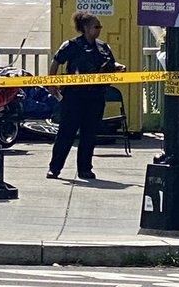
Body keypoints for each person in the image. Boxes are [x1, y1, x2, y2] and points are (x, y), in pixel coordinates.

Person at [46, 11, 125, 180]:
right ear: (86, 28)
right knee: (66, 133)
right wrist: (51, 83)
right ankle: (55, 168)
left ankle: (85, 169)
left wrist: (118, 66)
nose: (99, 30)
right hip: (74, 96)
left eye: (100, 27)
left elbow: (110, 63)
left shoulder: (103, 46)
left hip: (96, 96)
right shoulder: (71, 45)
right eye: (96, 27)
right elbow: (56, 61)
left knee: (89, 134)